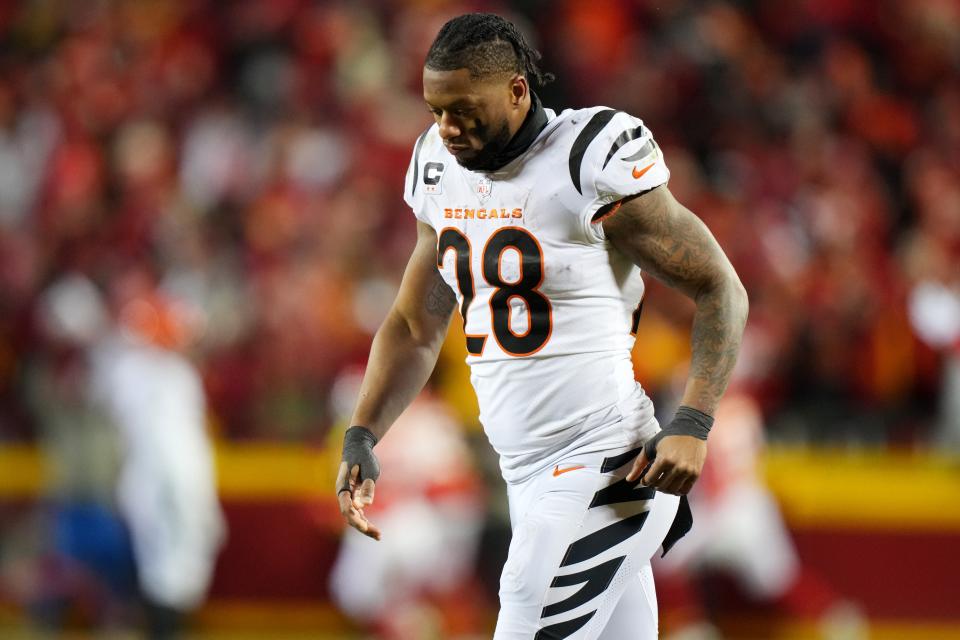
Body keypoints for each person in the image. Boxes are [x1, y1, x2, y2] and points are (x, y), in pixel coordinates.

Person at [335, 13, 748, 639]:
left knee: (524, 614)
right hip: (525, 474)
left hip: (607, 461)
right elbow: (416, 323)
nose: (447, 128)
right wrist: (364, 430)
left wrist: (692, 421)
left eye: (464, 109)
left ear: (517, 91)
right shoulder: (437, 165)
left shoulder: (587, 160)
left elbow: (721, 287)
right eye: (435, 111)